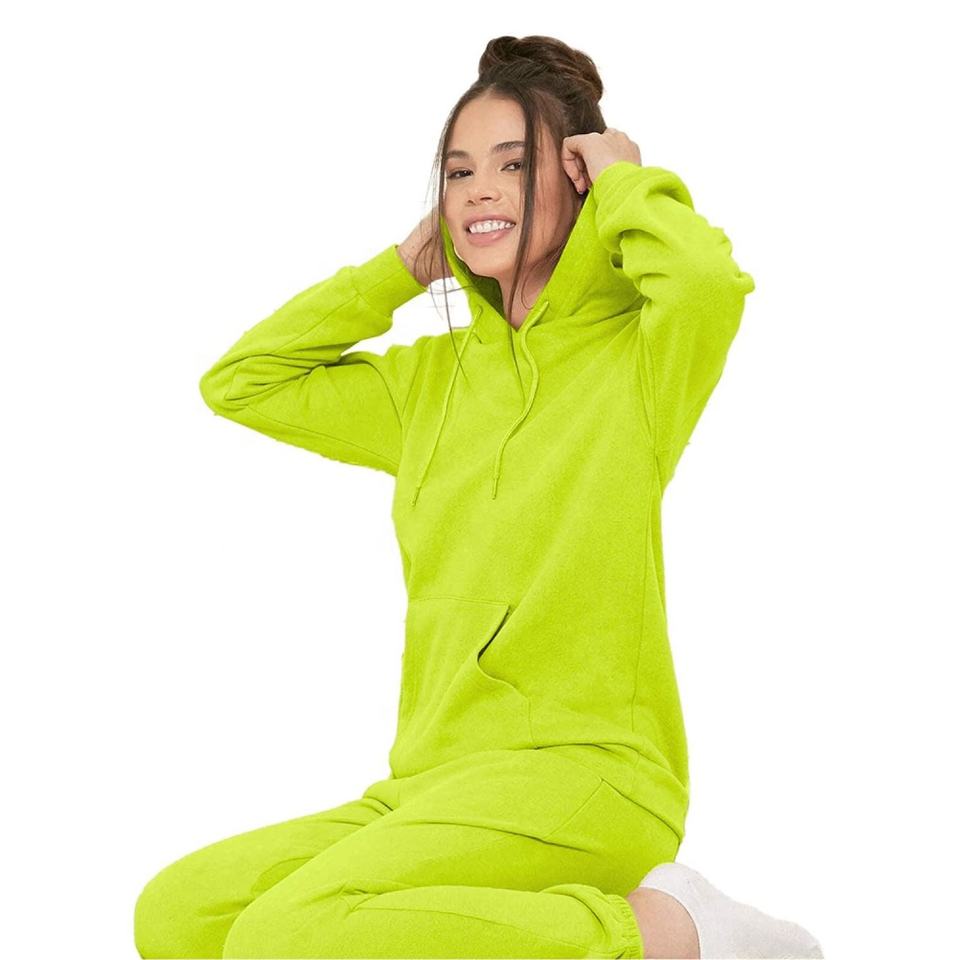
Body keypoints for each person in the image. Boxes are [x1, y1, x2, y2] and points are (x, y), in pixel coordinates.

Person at [134, 35, 824, 960]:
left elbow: (705, 284)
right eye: (459, 172)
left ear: (576, 178)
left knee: (286, 935)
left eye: (515, 165)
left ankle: (675, 933)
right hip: (433, 779)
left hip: (591, 774)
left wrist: (625, 179)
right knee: (180, 915)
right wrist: (401, 267)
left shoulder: (638, 356)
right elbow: (242, 382)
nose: (480, 191)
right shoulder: (428, 383)